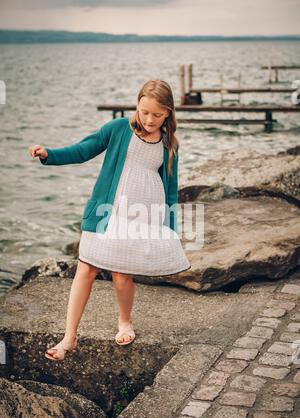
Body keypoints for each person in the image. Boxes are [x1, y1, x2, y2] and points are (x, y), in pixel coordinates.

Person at [28, 79, 191, 360]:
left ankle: (125, 321)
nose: (149, 119)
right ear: (137, 106)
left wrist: (170, 229)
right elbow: (82, 150)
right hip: (106, 214)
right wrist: (48, 155)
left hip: (142, 217)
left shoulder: (169, 144)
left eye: (157, 114)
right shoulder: (117, 130)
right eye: (144, 111)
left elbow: (171, 190)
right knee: (86, 269)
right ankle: (69, 338)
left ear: (168, 113)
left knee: (122, 274)